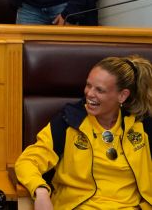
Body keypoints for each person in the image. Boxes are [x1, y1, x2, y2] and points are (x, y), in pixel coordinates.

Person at [14, 56, 152, 209]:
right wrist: (40, 190)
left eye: (99, 90)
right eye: (88, 85)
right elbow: (27, 162)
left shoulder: (142, 125)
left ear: (122, 95)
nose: (89, 94)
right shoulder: (69, 121)